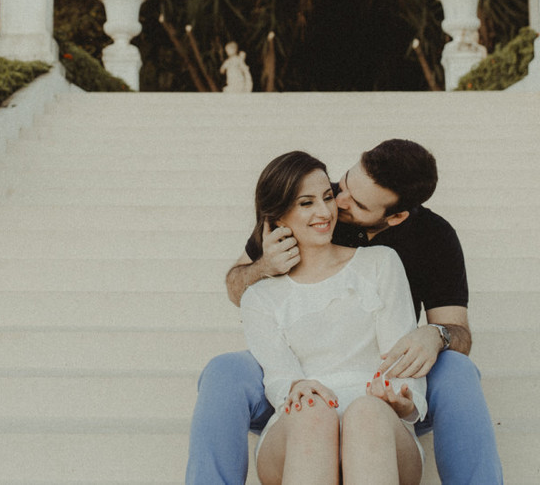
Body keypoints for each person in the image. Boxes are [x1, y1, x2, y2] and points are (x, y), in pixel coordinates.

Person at [187, 139, 503, 484]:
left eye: (354, 202)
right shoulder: (312, 194)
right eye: (344, 184)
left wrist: (435, 335)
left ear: (395, 216)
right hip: (299, 386)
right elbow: (239, 285)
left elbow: (456, 330)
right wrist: (263, 267)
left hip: (382, 387)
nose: (335, 204)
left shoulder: (429, 238)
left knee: (455, 368)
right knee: (224, 371)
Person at [241, 150, 425, 484]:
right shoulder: (259, 297)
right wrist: (297, 387)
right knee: (312, 411)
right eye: (306, 203)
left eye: (327, 197)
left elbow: (402, 362)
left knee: (367, 412)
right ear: (279, 216)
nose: (325, 212)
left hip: (379, 427)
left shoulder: (381, 263)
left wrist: (403, 403)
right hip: (298, 431)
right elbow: (278, 378)